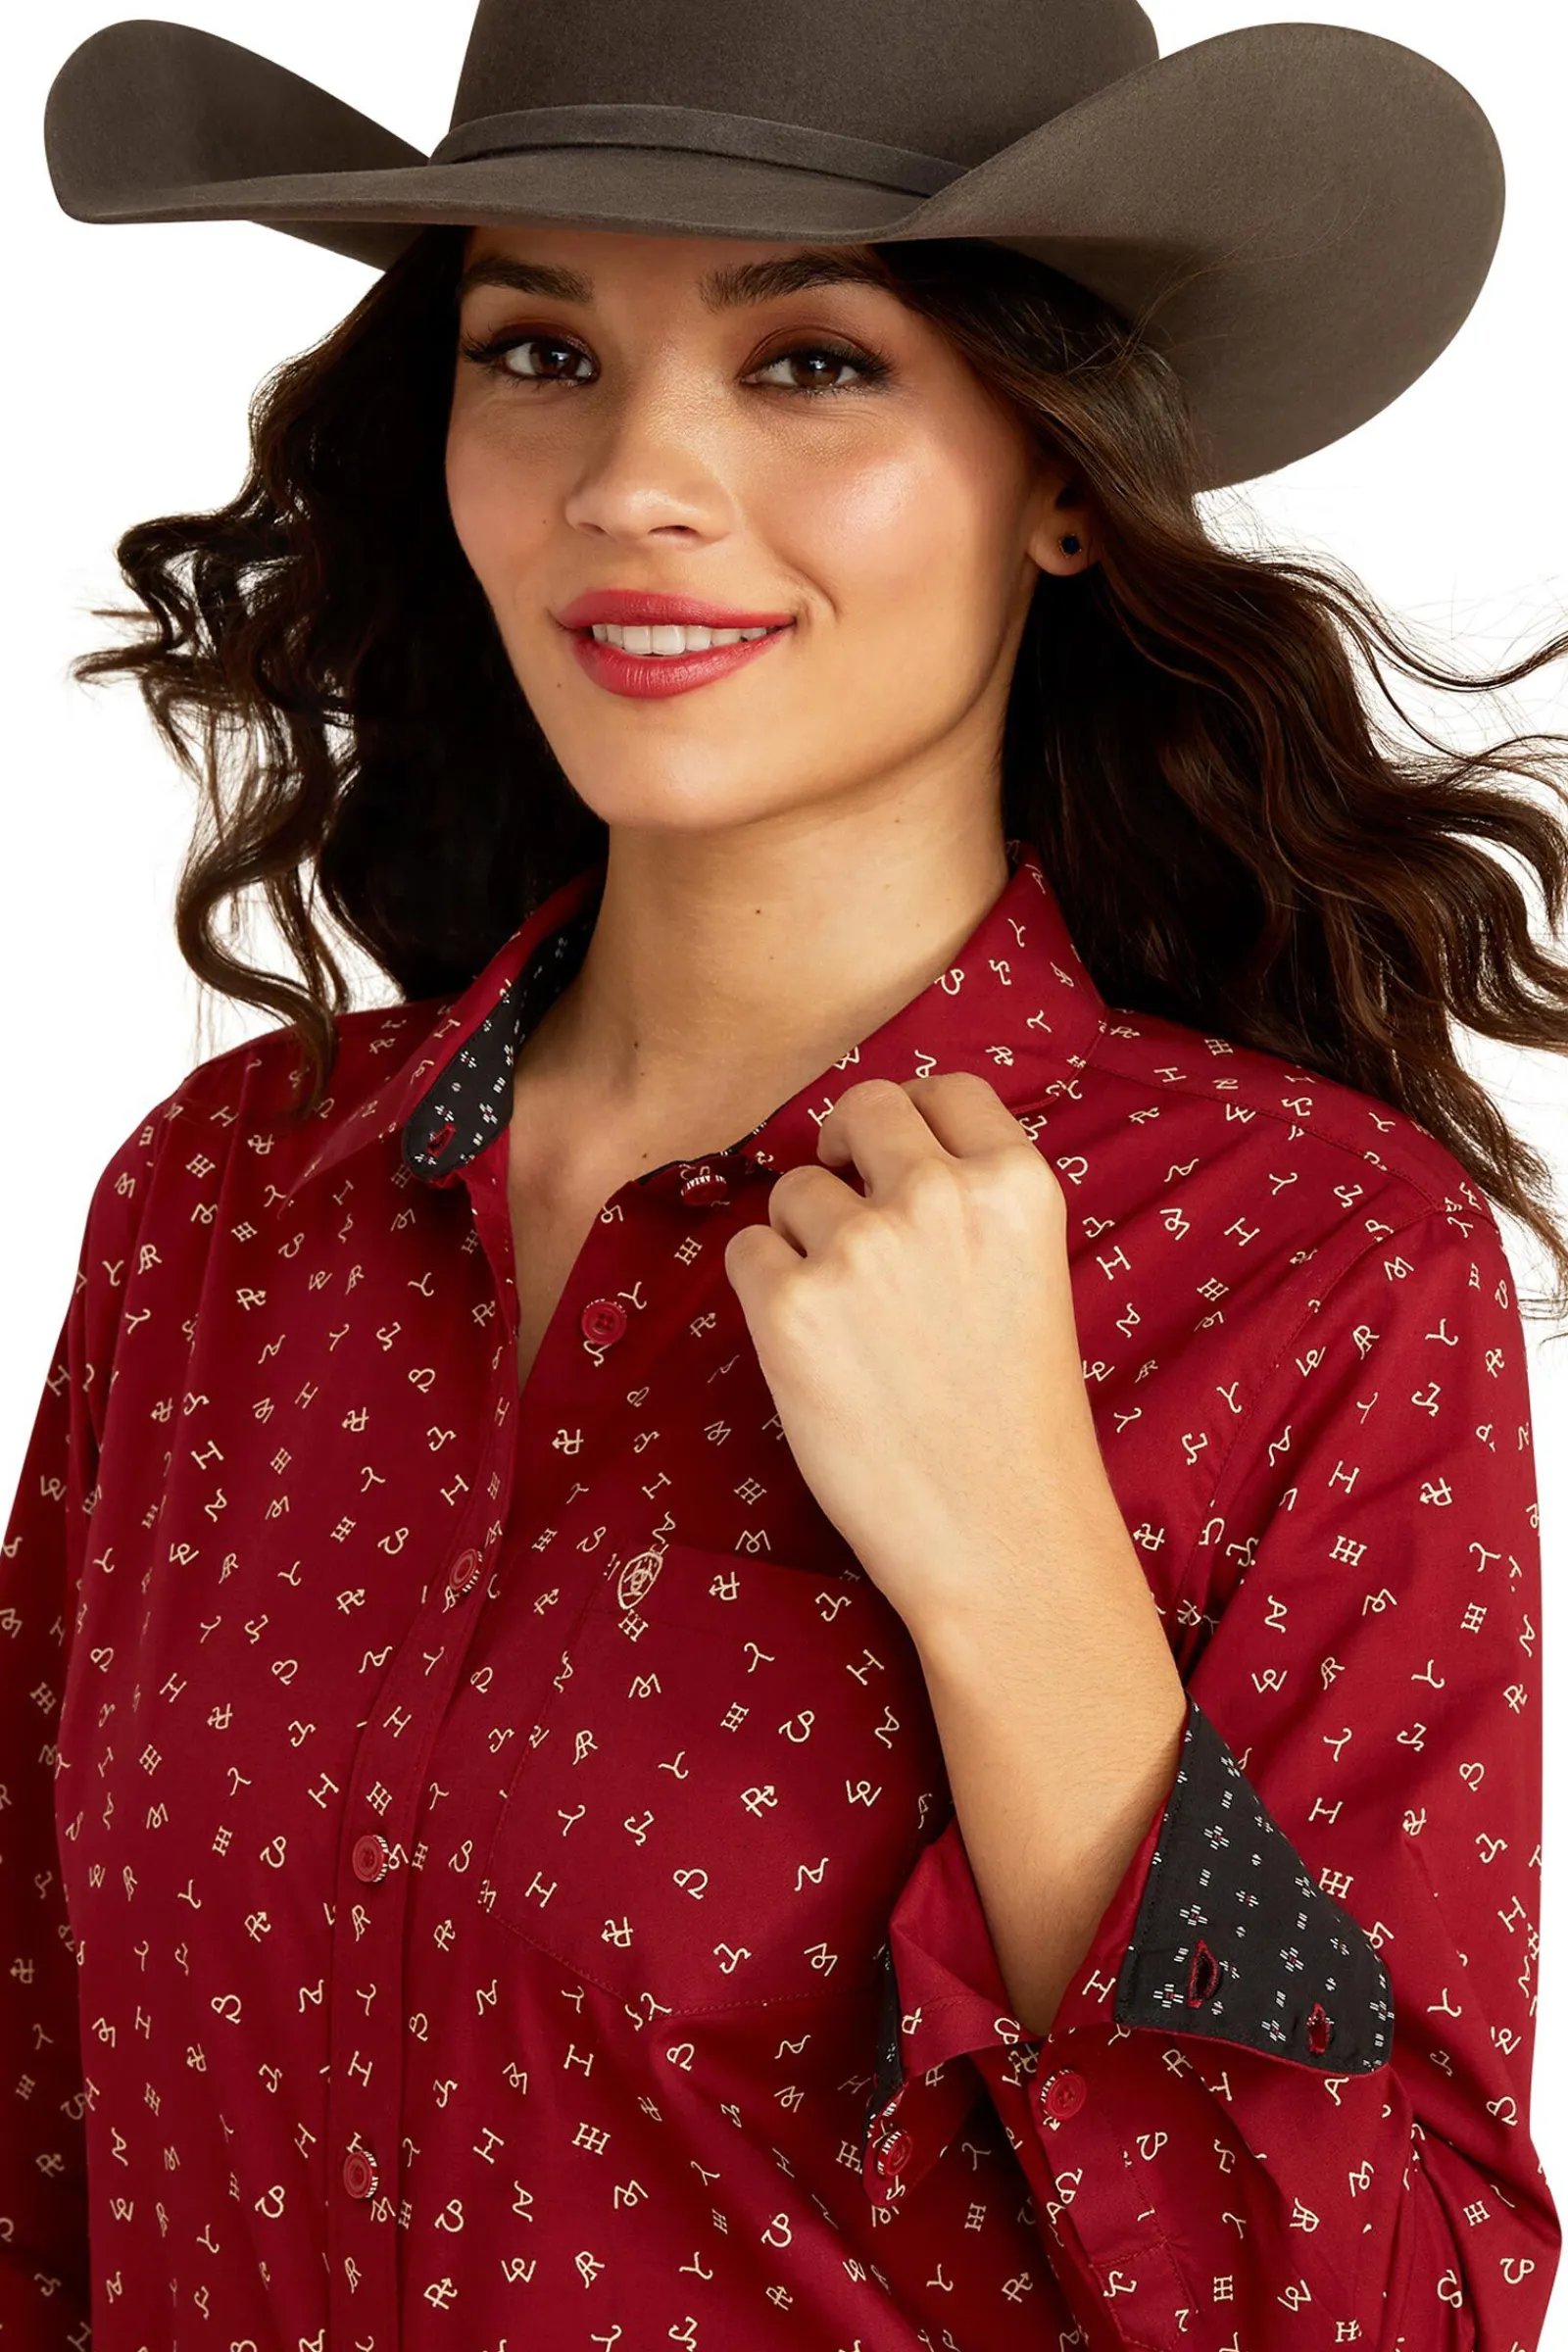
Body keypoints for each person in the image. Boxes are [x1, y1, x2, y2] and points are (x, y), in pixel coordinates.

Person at [7, 0, 1567, 2342]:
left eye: (810, 362)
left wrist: (1020, 1577)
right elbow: (38, 2145)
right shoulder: (228, 1201)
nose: (631, 481)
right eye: (539, 352)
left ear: (1057, 476)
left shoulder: (1297, 1262)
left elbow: (1387, 2315)